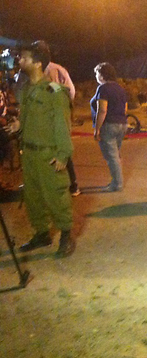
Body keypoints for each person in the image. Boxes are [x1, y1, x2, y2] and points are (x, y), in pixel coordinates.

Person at [6, 41, 75, 257]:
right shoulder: (27, 90)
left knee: (56, 196)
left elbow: (63, 124)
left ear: (37, 63)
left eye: (24, 58)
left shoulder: (54, 91)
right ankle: (42, 234)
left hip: (48, 154)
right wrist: (19, 126)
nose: (20, 61)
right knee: (33, 197)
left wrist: (63, 154)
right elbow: (29, 117)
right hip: (30, 153)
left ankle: (66, 235)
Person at [45, 59, 80, 197]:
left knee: (62, 146)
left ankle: (72, 185)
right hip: (58, 109)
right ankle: (71, 185)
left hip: (56, 111)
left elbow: (60, 89)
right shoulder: (57, 68)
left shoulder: (52, 70)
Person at [91, 62, 127, 192]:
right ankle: (117, 181)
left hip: (109, 125)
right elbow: (125, 108)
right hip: (122, 123)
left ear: (102, 75)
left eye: (96, 73)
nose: (96, 76)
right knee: (116, 155)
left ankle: (117, 184)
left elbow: (102, 110)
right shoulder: (120, 88)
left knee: (111, 156)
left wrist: (97, 129)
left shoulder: (103, 89)